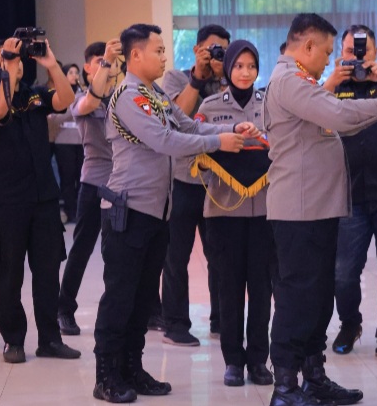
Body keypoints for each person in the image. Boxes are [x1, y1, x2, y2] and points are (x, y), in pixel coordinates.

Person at [264, 13, 377, 406]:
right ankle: (285, 386)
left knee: (318, 298)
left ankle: (313, 377)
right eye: (326, 52)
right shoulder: (289, 80)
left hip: (317, 207)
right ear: (307, 46)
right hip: (299, 209)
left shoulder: (302, 80)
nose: (329, 61)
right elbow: (339, 115)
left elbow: (345, 124)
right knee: (297, 299)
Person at [92, 23, 259, 403]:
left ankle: (132, 368)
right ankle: (106, 375)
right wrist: (219, 142)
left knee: (143, 298)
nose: (164, 57)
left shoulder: (155, 95)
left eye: (164, 51)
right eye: (158, 51)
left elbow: (188, 124)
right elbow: (165, 140)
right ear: (136, 55)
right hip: (128, 210)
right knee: (120, 298)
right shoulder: (129, 96)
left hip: (156, 211)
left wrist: (233, 128)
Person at [0, 37, 80, 364]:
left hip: (43, 198)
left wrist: (51, 64)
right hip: (6, 201)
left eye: (17, 59)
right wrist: (5, 70)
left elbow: (66, 99)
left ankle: (50, 339)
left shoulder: (35, 94)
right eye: (6, 59)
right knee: (10, 274)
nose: (15, 63)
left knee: (47, 273)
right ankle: (13, 340)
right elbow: (0, 112)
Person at [321, 25, 377, 362]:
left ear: (375, 52)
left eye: (364, 50)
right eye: (350, 51)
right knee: (343, 273)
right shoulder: (333, 88)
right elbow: (308, 111)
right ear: (340, 53)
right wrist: (331, 80)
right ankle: (349, 324)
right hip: (348, 195)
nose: (357, 57)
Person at [195, 40, 276, 387]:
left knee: (261, 288)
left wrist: (263, 137)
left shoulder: (270, 103)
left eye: (251, 66)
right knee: (228, 288)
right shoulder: (210, 106)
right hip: (223, 210)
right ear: (227, 68)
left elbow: (284, 142)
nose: (245, 73)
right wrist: (227, 135)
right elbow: (194, 142)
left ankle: (258, 360)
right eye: (239, 66)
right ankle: (232, 361)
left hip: (264, 210)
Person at [157, 24, 231, 343]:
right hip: (184, 178)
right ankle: (175, 324)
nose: (217, 56)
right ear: (196, 49)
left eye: (223, 51)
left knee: (221, 255)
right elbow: (177, 117)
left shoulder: (231, 80)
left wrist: (225, 77)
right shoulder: (176, 78)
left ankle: (221, 320)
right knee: (176, 255)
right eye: (212, 49)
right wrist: (198, 78)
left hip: (219, 181)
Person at [57, 39, 121, 335]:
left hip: (123, 184)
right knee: (82, 248)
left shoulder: (123, 98)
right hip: (94, 183)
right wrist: (107, 62)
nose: (107, 65)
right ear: (87, 68)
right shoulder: (81, 99)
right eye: (100, 61)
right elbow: (92, 102)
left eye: (110, 61)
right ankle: (64, 308)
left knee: (119, 251)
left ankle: (130, 311)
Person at [51, 62, 85, 223]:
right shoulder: (57, 93)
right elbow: (54, 119)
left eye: (76, 72)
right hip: (63, 141)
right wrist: (74, 106)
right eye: (70, 72)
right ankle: (70, 212)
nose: (74, 75)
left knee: (82, 178)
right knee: (67, 178)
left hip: (82, 140)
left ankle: (81, 212)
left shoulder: (84, 93)